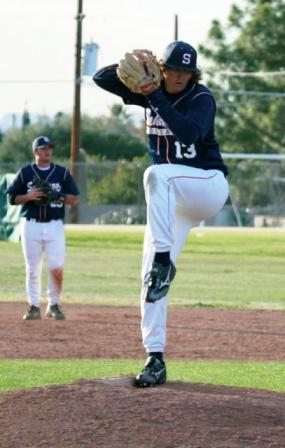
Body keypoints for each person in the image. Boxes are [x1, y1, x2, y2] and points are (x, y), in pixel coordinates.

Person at [93, 41, 229, 387]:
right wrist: (139, 64)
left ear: (193, 74)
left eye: (186, 71)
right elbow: (101, 78)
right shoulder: (149, 89)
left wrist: (153, 95)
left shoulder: (202, 98)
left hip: (206, 186)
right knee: (149, 281)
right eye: (174, 69)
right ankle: (155, 357)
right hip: (171, 199)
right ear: (163, 69)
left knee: (156, 174)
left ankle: (164, 260)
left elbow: (188, 131)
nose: (180, 75)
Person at [6, 136, 80, 321]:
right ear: (35, 152)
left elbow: (73, 199)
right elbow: (12, 199)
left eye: (49, 148)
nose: (48, 151)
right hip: (31, 224)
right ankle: (33, 306)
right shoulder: (25, 173)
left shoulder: (61, 173)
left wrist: (57, 195)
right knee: (32, 268)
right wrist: (28, 196)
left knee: (56, 267)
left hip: (55, 225)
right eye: (43, 148)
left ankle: (53, 305)